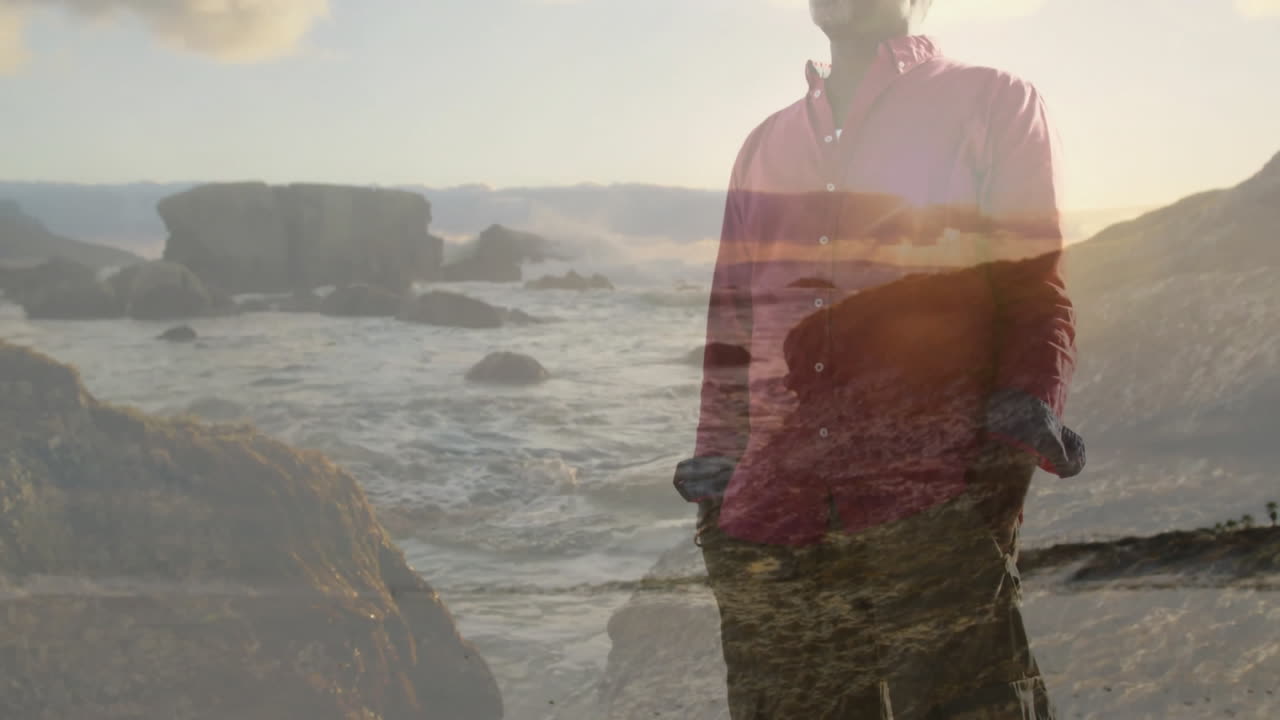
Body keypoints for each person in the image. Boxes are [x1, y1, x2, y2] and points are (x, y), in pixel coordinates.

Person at [674, 1, 1086, 717]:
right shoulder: (764, 143)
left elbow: (1034, 290)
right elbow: (732, 322)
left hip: (931, 497)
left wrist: (1009, 446)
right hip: (770, 516)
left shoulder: (993, 100)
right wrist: (716, 475)